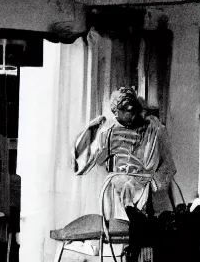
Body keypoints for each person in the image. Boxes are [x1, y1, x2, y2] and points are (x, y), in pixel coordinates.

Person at [73, 86, 176, 220]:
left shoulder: (155, 130)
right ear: (115, 112)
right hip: (117, 188)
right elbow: (93, 160)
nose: (129, 113)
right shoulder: (108, 131)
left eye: (132, 108)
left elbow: (168, 165)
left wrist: (152, 184)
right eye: (123, 110)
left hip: (148, 188)